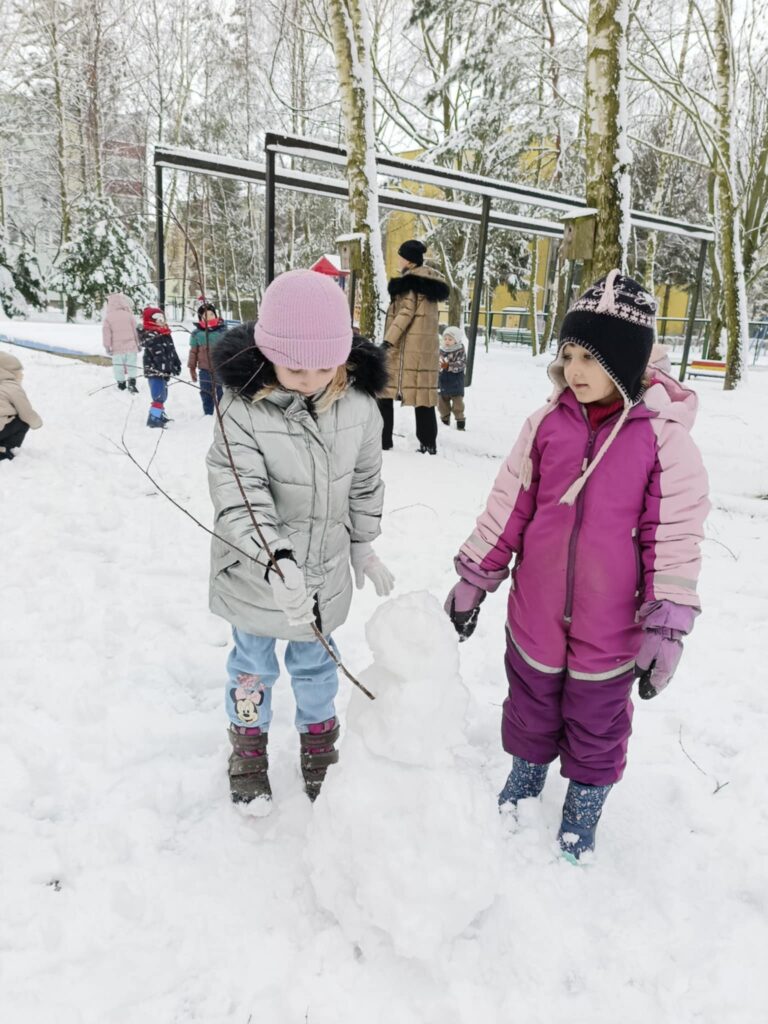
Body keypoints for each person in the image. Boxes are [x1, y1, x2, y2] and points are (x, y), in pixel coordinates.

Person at [444, 269, 710, 861]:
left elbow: (673, 536)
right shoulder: (545, 425)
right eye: (568, 354)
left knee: (597, 721)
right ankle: (526, 777)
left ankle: (584, 807)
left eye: (591, 356)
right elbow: (508, 506)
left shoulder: (661, 440)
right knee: (531, 700)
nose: (575, 369)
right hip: (536, 611)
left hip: (611, 624)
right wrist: (473, 579)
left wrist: (666, 627)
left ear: (624, 359)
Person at [207, 269, 395, 807]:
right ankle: (247, 744)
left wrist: (363, 543)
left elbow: (365, 481)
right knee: (252, 664)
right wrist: (274, 558)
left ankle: (318, 743)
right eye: (294, 366)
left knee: (317, 662)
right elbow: (239, 491)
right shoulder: (240, 407)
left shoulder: (359, 407)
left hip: (325, 568)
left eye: (323, 365)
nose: (309, 377)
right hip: (256, 570)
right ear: (268, 351)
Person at [379, 239, 450, 454]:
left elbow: (405, 313)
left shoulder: (410, 283)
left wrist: (388, 340)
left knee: (384, 391)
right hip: (425, 349)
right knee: (424, 397)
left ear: (409, 261)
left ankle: (382, 441)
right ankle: (428, 444)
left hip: (406, 348)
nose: (399, 259)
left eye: (401, 256)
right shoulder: (428, 282)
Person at [139, 307, 181, 429]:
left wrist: (176, 363)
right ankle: (154, 418)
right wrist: (163, 367)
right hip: (155, 371)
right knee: (158, 395)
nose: (162, 321)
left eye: (163, 318)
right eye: (158, 319)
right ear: (150, 321)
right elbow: (159, 354)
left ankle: (159, 414)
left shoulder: (165, 334)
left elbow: (172, 351)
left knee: (163, 394)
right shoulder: (151, 335)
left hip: (164, 371)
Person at [0, 351, 42, 461]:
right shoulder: (13, 387)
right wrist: (37, 423)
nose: (22, 375)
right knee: (22, 421)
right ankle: (5, 451)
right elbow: (27, 414)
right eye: (18, 371)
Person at [188, 302, 228, 414]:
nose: (209, 317)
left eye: (211, 314)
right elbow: (193, 352)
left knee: (222, 392)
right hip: (204, 369)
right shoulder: (197, 334)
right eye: (205, 315)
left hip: (220, 368)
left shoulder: (223, 331)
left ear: (216, 315)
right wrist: (192, 367)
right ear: (201, 318)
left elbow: (229, 349)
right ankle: (208, 412)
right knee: (206, 391)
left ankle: (223, 414)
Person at [102, 293, 141, 393]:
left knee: (118, 367)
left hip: (117, 348)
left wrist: (107, 347)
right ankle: (132, 383)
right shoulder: (129, 315)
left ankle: (121, 384)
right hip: (131, 346)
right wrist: (138, 344)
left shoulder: (108, 317)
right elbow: (135, 331)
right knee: (131, 365)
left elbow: (106, 333)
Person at [438, 325, 467, 430]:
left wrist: (448, 366)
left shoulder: (460, 350)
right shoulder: (441, 350)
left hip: (455, 383)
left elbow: (461, 364)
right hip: (443, 381)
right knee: (442, 404)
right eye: (445, 339)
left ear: (456, 340)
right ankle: (444, 420)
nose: (447, 341)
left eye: (450, 339)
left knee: (458, 405)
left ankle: (460, 421)